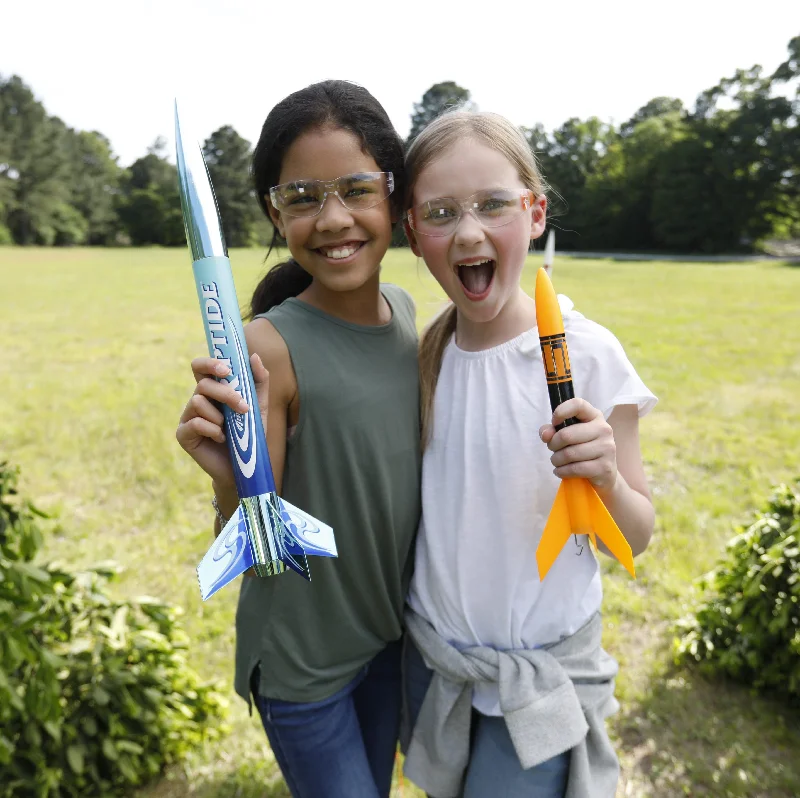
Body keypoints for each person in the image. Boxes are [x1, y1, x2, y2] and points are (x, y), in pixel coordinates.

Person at [399, 110, 658, 798]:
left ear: (536, 213)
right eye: (441, 212)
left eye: (493, 205)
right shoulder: (423, 356)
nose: (469, 231)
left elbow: (637, 535)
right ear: (413, 234)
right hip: (436, 667)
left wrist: (603, 476)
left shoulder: (589, 353)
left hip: (540, 679)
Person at [175, 80, 421, 798]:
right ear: (274, 214)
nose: (334, 217)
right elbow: (253, 532)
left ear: (393, 197)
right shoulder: (267, 347)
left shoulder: (407, 314)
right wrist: (229, 480)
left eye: (355, 188)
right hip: (302, 668)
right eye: (303, 197)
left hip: (387, 642)